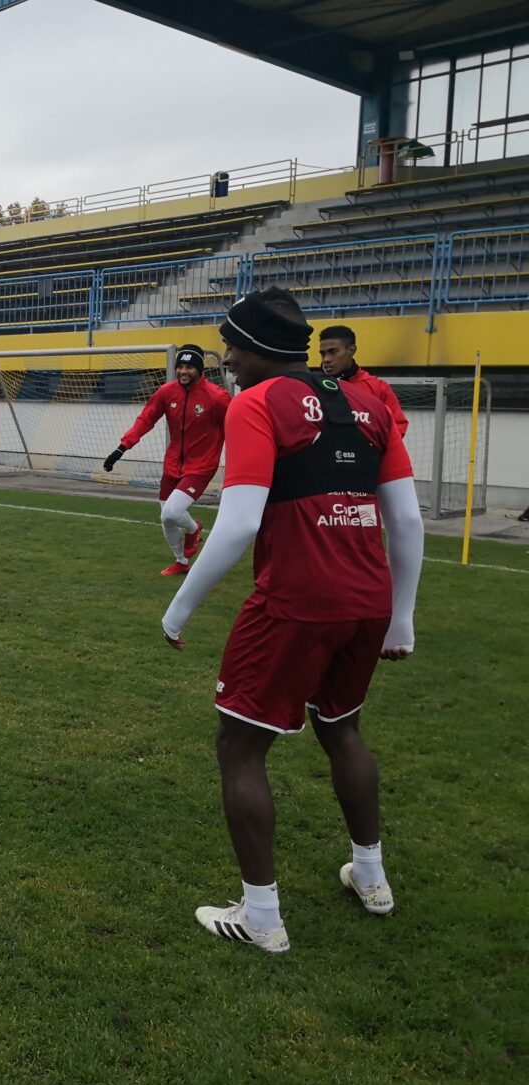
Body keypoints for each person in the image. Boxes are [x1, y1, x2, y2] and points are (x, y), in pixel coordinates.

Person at [161, 288, 424, 953]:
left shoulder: (256, 404)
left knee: (240, 747)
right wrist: (401, 617)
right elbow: (407, 519)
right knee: (342, 729)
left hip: (297, 601)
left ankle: (261, 916)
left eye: (230, 347)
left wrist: (179, 607)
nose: (224, 359)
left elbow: (239, 524)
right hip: (369, 600)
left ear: (254, 348)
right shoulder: (369, 403)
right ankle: (372, 878)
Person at [103, 345, 230, 576]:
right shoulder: (166, 392)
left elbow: (234, 429)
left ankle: (193, 528)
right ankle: (181, 562)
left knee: (171, 512)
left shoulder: (217, 397)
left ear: (199, 369)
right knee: (167, 519)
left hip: (201, 467)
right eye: (180, 366)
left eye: (189, 367)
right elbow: (146, 419)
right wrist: (122, 448)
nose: (183, 371)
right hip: (171, 465)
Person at [318, 324, 408, 438]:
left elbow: (398, 426)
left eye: (333, 352)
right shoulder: (312, 386)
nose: (326, 359)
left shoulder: (378, 388)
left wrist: (368, 445)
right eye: (323, 353)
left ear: (352, 350)